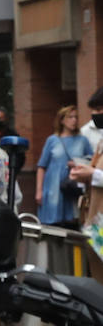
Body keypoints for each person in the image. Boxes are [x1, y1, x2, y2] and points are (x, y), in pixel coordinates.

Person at [67, 87, 103, 281]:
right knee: (97, 275)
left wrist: (94, 174)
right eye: (94, 110)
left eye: (100, 110)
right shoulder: (100, 141)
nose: (95, 116)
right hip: (96, 220)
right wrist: (84, 176)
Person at [35, 105, 91, 227]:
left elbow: (92, 162)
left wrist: (78, 164)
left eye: (76, 117)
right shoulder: (52, 140)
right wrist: (39, 191)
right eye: (70, 117)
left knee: (73, 223)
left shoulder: (83, 140)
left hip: (73, 187)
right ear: (61, 120)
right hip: (53, 188)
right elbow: (41, 166)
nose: (74, 120)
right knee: (53, 226)